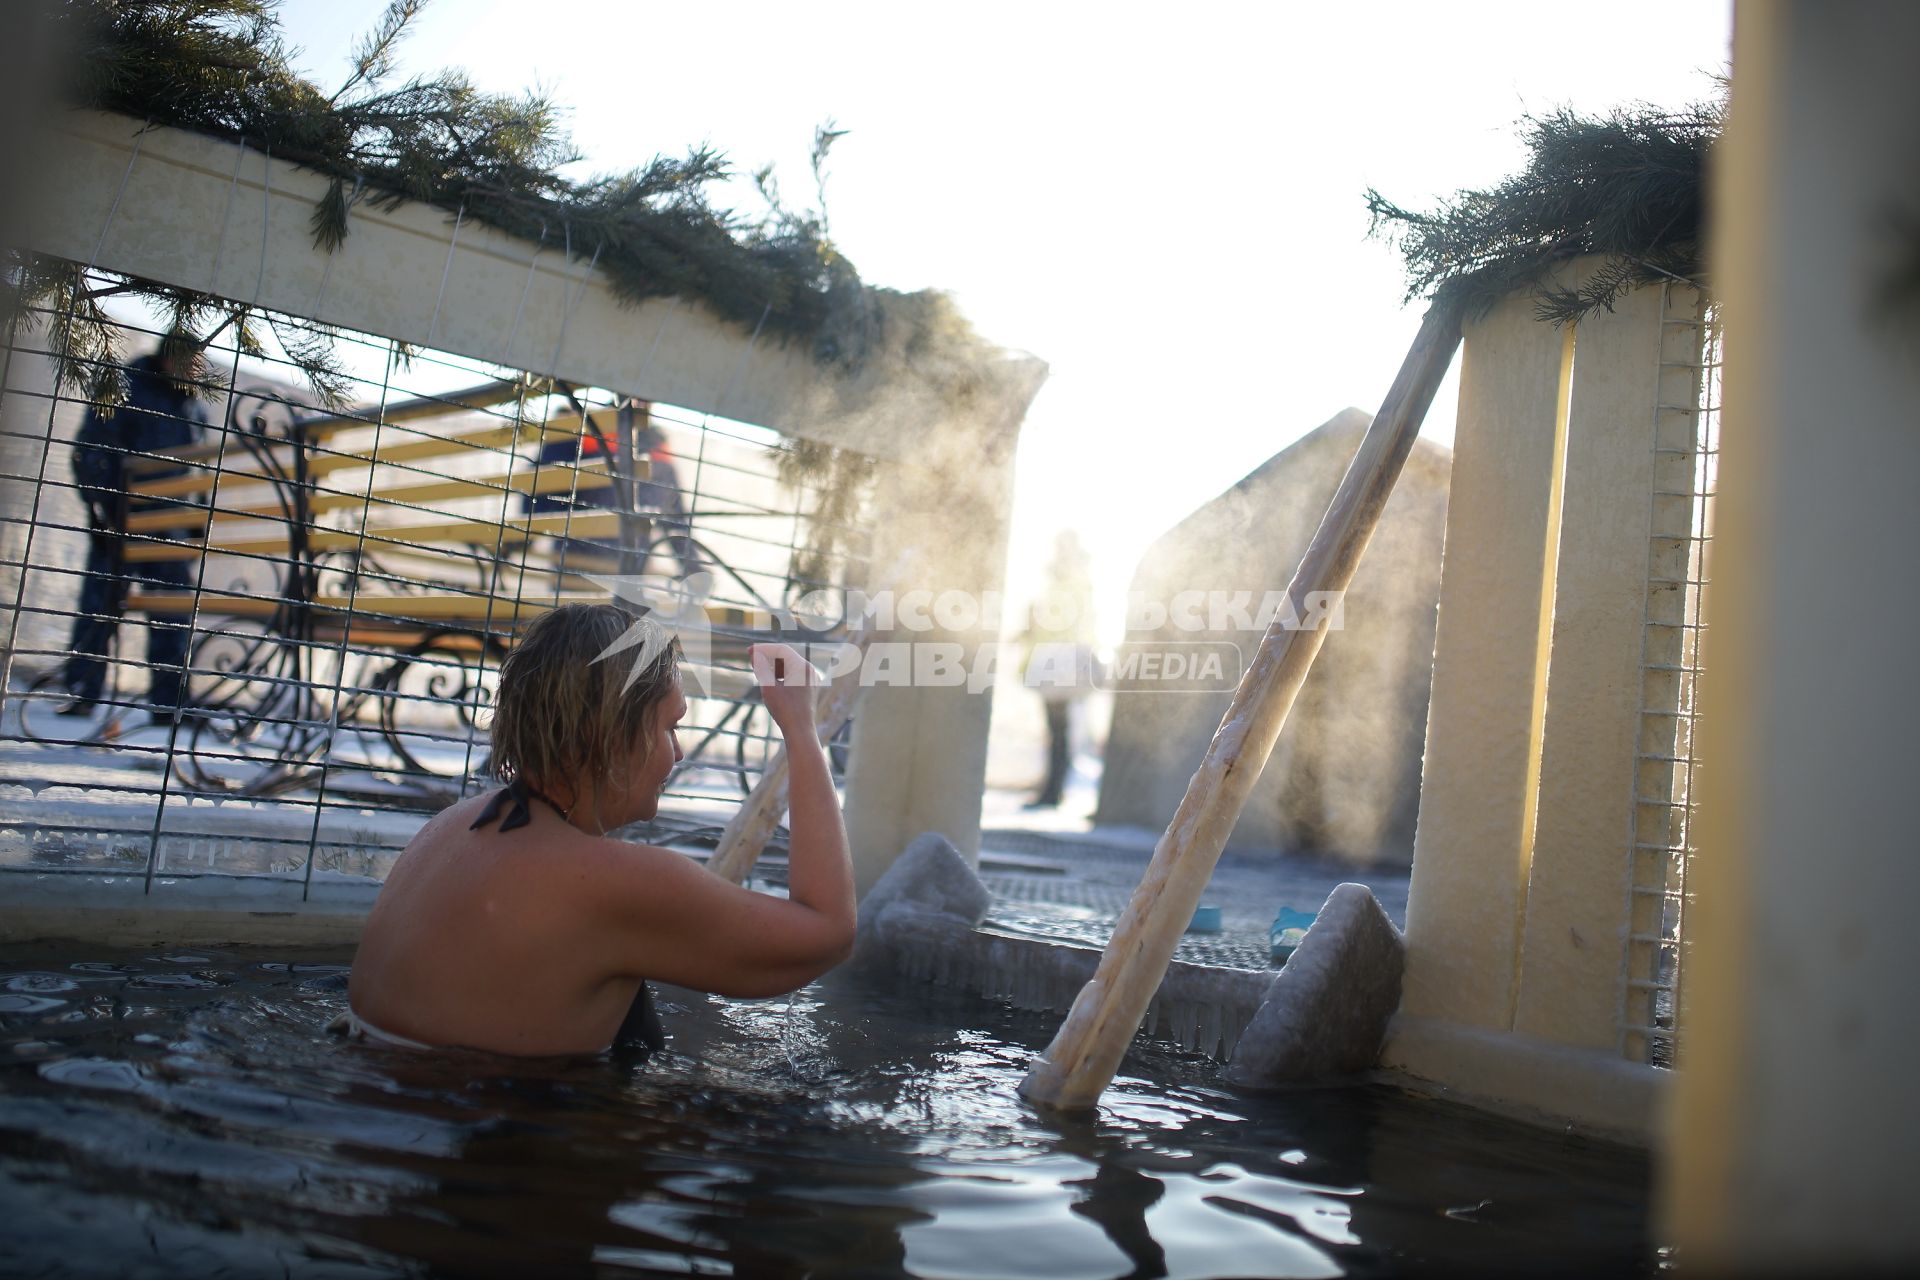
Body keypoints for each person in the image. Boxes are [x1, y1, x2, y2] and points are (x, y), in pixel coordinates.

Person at [340, 605, 853, 1056]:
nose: (678, 753)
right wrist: (801, 728)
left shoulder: (451, 828)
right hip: (510, 1138)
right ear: (606, 736)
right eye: (669, 728)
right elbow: (827, 933)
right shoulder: (610, 883)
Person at [60, 338, 210, 723]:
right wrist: (100, 508)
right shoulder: (126, 385)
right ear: (167, 356)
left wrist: (194, 522)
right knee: (99, 607)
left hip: (168, 526)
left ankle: (169, 704)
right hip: (120, 517)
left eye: (198, 362)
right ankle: (82, 692)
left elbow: (197, 469)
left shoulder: (192, 405)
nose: (194, 369)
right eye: (188, 360)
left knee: (171, 615)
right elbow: (92, 445)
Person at [1021, 530, 1098, 809]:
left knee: (1058, 731)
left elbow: (1067, 621)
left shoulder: (1072, 578)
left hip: (1060, 662)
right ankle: (1052, 790)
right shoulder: (1069, 577)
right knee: (1057, 731)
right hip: (1056, 659)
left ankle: (1053, 793)